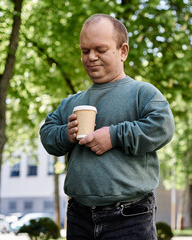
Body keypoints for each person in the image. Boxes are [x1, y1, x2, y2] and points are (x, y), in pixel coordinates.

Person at [40, 14, 174, 240]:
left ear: (123, 51)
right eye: (85, 51)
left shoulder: (143, 93)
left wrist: (114, 136)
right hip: (78, 216)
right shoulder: (71, 103)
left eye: (100, 50)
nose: (91, 57)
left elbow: (162, 127)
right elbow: (47, 133)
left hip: (131, 216)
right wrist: (66, 133)